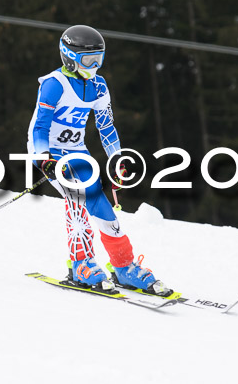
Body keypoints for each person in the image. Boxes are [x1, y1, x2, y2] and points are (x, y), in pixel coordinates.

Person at [27, 25, 171, 296]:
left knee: (102, 207)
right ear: (69, 56)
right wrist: (42, 158)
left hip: (77, 151)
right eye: (88, 60)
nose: (94, 66)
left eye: (99, 59)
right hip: (50, 151)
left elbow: (106, 127)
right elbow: (40, 128)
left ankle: (124, 267)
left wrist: (117, 159)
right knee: (78, 198)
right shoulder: (53, 85)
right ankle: (81, 264)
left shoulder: (98, 86)